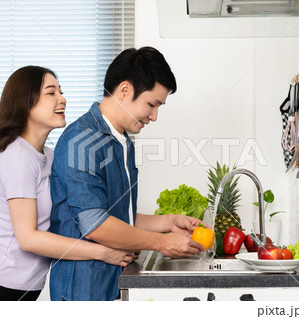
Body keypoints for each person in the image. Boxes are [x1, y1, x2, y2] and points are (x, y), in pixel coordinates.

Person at [0, 66, 135, 301]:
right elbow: (28, 238)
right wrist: (103, 252)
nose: (63, 99)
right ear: (26, 102)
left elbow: (84, 212)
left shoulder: (50, 156)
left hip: (23, 291)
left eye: (61, 91)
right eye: (51, 93)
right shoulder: (17, 157)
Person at [49, 46, 206, 301]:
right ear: (124, 90)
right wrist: (160, 242)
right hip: (84, 289)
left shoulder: (121, 140)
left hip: (113, 282)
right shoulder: (82, 139)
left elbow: (119, 213)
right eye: (151, 104)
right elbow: (95, 225)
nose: (154, 116)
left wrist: (167, 223)